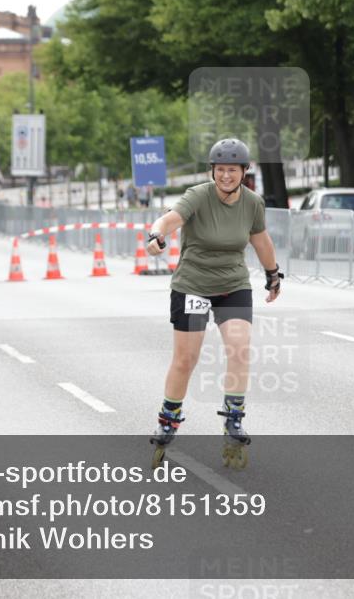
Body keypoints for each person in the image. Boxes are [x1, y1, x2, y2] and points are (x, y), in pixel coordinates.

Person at [145, 138, 283, 469]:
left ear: (243, 172)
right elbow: (170, 219)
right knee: (186, 358)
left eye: (232, 170)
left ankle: (233, 418)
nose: (225, 176)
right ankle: (168, 418)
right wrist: (156, 236)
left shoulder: (252, 203)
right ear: (212, 171)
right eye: (220, 170)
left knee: (239, 347)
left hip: (232, 284)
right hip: (192, 284)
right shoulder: (198, 195)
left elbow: (260, 240)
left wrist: (273, 274)